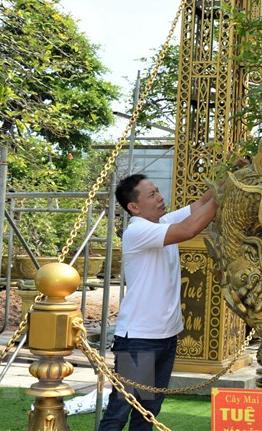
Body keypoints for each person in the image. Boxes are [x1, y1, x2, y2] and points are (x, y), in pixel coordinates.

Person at [98, 174, 218, 431]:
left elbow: (199, 206)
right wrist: (227, 194)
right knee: (121, 410)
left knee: (148, 412)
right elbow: (190, 228)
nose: (160, 197)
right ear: (134, 207)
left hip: (166, 337)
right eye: (151, 195)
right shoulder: (138, 230)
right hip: (138, 339)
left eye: (158, 191)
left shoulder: (161, 221)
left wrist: (227, 180)